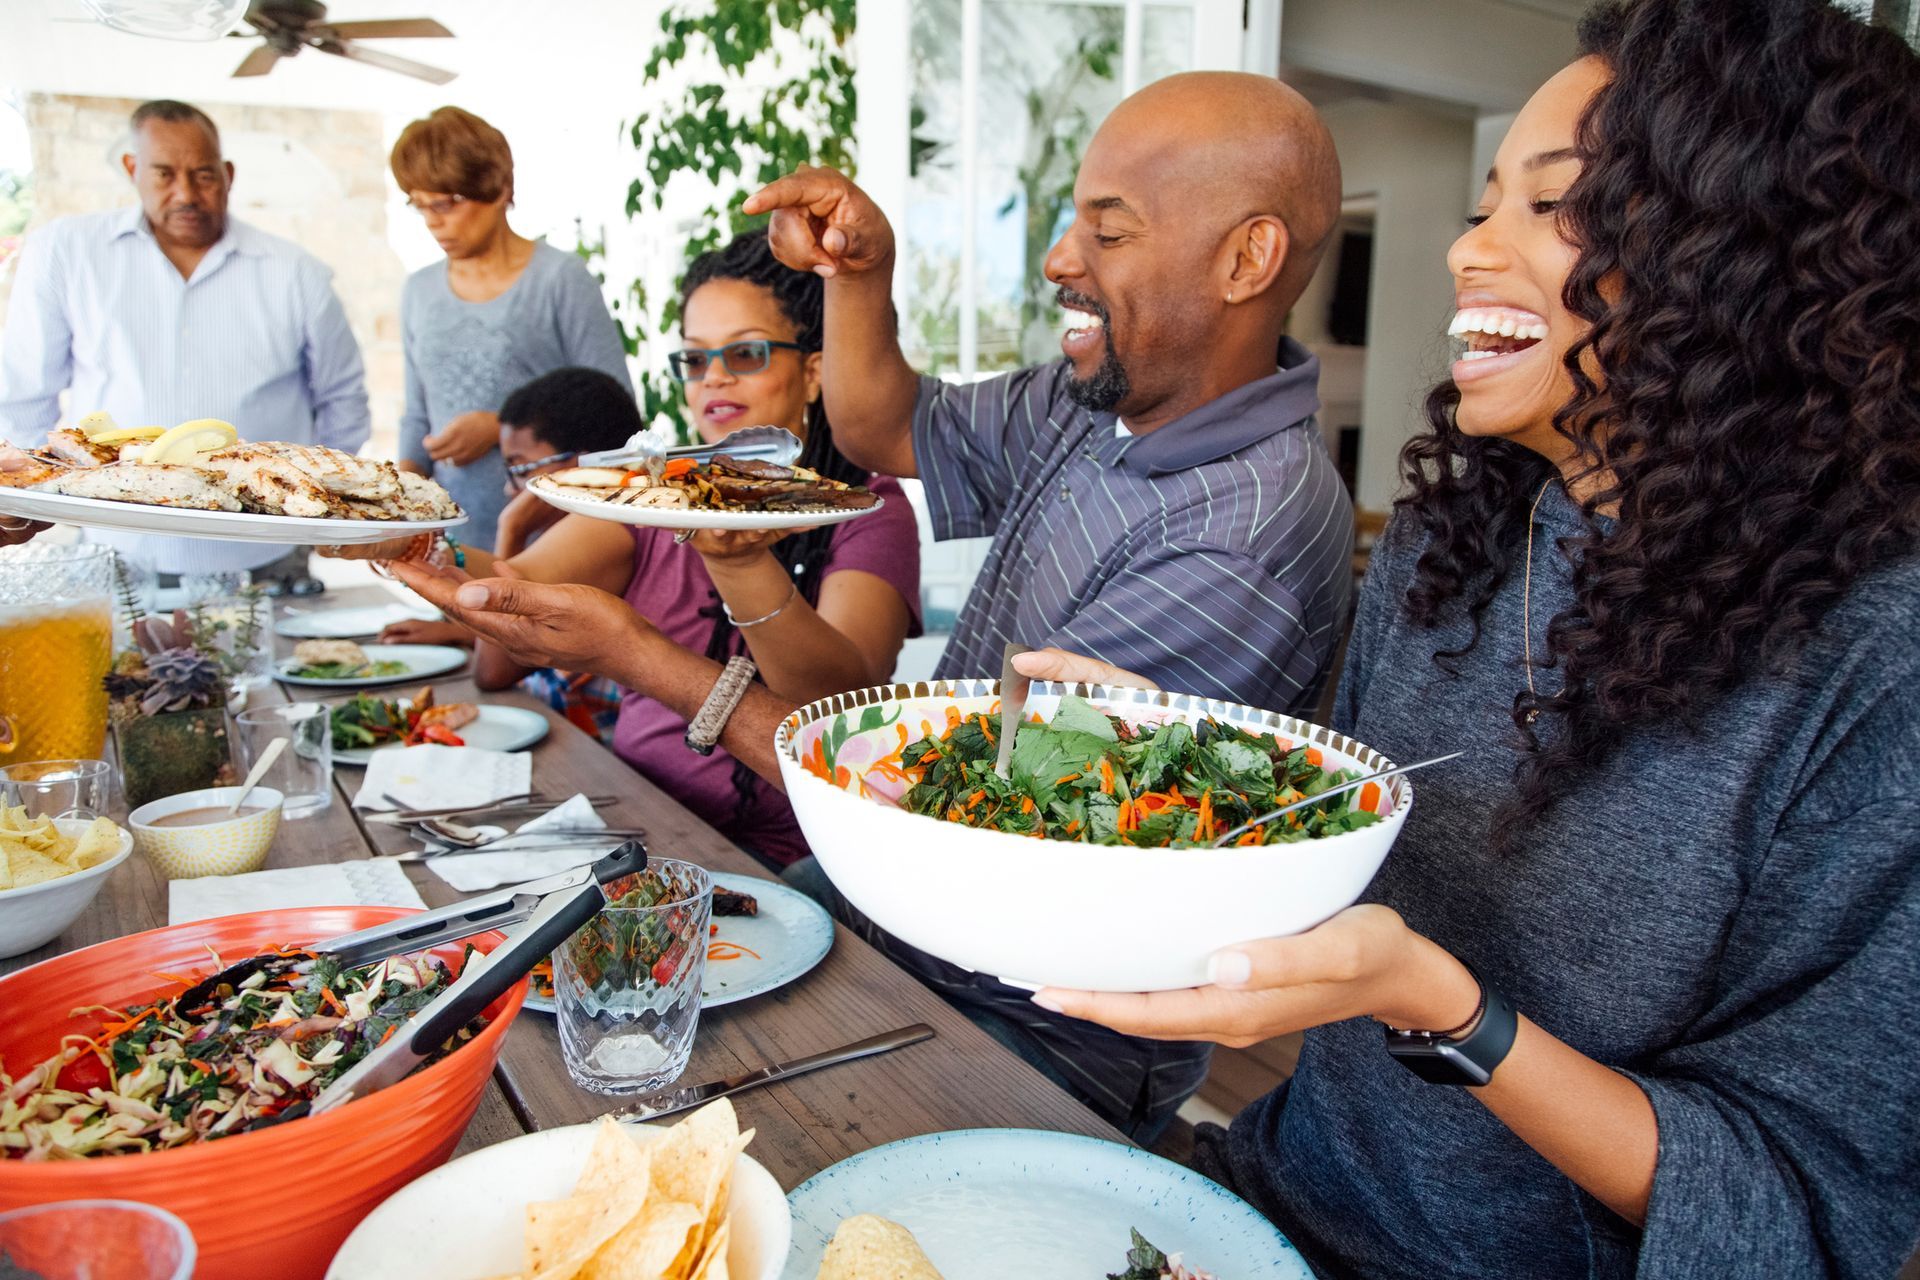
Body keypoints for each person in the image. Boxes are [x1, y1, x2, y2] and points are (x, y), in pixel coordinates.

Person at [951, 4, 1920, 1275]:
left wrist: (1442, 1006)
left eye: (1549, 207)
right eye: (1482, 206)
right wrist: (1180, 753)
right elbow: (1336, 844)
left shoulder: (1875, 665)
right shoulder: (1457, 539)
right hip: (1279, 1198)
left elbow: (1801, 1215)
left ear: (1747, 259)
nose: (1470, 251)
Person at [392, 71, 1353, 1143]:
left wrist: (639, 655)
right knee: (521, 1025)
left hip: (1028, 1026)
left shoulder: (1238, 534)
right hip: (900, 921)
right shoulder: (1105, 399)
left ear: (1247, 259)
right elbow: (885, 427)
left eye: (1109, 232)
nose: (1059, 261)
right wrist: (862, 274)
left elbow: (965, 836)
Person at [385, 231, 921, 867]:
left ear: (812, 373)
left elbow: (832, 708)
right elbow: (513, 582)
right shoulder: (658, 492)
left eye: (745, 353)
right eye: (695, 360)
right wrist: (415, 542)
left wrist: (738, 560)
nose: (714, 376)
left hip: (792, 860)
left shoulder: (863, 506)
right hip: (636, 817)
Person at [0, 98, 368, 590]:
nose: (186, 193)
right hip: (116, 546)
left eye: (203, 175)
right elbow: (24, 395)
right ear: (133, 169)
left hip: (267, 554)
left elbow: (343, 401)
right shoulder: (65, 253)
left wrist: (308, 505)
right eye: (164, 174)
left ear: (229, 175)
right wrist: (36, 499)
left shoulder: (296, 274)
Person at [390, 106, 632, 549]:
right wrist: (396, 512)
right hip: (450, 535)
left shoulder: (559, 279)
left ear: (499, 187)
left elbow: (613, 409)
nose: (432, 221)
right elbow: (418, 415)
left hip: (557, 537)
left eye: (445, 203)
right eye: (419, 205)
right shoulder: (419, 291)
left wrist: (499, 426)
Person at [360, 366, 640, 742]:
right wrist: (456, 633)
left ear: (582, 467)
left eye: (520, 469)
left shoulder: (611, 528)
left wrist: (513, 527)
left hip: (602, 758)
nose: (512, 490)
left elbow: (492, 671)